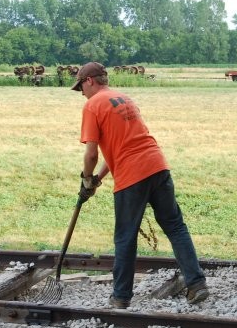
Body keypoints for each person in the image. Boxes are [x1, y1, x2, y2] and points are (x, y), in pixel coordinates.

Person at [71, 62, 209, 309]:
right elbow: (119, 148)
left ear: (90, 81)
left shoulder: (92, 106)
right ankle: (197, 284)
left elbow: (91, 154)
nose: (81, 92)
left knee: (125, 236)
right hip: (157, 165)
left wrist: (86, 178)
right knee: (175, 226)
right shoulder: (123, 98)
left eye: (80, 86)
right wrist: (97, 180)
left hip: (132, 175)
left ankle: (121, 297)